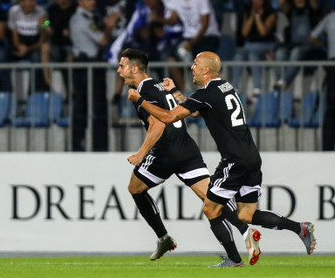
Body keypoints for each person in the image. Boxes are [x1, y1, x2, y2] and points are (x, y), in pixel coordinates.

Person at [128, 51, 317, 267]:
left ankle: (234, 260)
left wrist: (141, 100)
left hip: (234, 161)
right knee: (246, 214)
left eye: (196, 64)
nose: (192, 67)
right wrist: (175, 92)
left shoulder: (206, 94)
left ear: (206, 70)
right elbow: (197, 111)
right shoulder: (226, 87)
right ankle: (299, 228)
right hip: (252, 157)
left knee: (211, 209)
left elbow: (169, 117)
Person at [117, 48, 261, 264]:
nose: (119, 71)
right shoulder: (157, 84)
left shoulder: (142, 92)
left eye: (122, 66)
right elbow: (186, 110)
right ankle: (244, 232)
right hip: (186, 148)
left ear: (134, 69)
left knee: (135, 188)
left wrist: (140, 153)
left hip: (165, 152)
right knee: (210, 198)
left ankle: (163, 237)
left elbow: (157, 124)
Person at [69, 0, 118, 151]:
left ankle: (96, 145)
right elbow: (103, 41)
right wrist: (110, 26)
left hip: (91, 64)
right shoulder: (82, 19)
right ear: (80, 1)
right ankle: (84, 145)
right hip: (86, 66)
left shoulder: (89, 17)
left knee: (95, 107)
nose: (92, 2)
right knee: (88, 107)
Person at [157, 0, 220, 91]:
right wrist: (158, 19)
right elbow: (173, 19)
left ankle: (207, 95)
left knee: (202, 64)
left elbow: (205, 24)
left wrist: (191, 44)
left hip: (207, 36)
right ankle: (185, 94)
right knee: (171, 60)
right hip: (188, 38)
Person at [231, 0, 277, 99]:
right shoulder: (247, 13)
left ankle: (257, 88)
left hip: (266, 44)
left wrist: (257, 17)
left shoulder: (271, 13)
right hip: (250, 45)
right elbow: (244, 33)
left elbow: (263, 32)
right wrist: (252, 16)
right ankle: (234, 88)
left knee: (252, 53)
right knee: (238, 56)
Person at [8, 0, 49, 92]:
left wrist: (42, 26)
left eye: (35, 0)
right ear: (21, 1)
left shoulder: (42, 12)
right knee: (1, 55)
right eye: (31, 0)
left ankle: (33, 93)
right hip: (20, 44)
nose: (34, 3)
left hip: (35, 45)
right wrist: (19, 47)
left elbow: (44, 37)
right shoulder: (13, 12)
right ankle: (6, 93)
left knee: (36, 58)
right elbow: (14, 33)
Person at [308, 9, 335, 151]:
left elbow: (312, 37)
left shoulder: (330, 17)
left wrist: (326, 45)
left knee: (331, 107)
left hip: (332, 64)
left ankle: (328, 147)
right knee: (331, 107)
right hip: (332, 65)